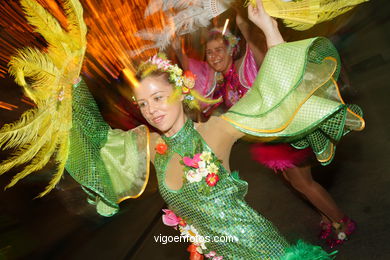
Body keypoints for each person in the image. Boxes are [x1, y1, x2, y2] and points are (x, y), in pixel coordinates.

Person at [0, 0, 364, 258]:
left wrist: (267, 28)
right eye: (143, 104)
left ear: (180, 92)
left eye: (158, 98)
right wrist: (74, 88)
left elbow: (275, 92)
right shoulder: (151, 146)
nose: (151, 111)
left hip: (259, 252)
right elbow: (96, 141)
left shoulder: (216, 130)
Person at [172, 5, 359, 249]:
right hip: (269, 140)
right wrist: (178, 49)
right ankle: (327, 218)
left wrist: (241, 12)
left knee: (304, 183)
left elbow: (250, 35)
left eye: (219, 49)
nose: (214, 56)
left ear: (231, 48)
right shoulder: (223, 79)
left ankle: (342, 222)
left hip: (284, 133)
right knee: (295, 184)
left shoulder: (247, 64)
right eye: (209, 53)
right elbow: (194, 74)